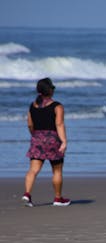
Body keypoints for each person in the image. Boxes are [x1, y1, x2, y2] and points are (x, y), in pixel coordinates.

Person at [22, 78, 70, 207]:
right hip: (53, 139)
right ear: (49, 90)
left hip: (37, 138)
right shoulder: (57, 106)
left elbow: (30, 125)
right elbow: (59, 124)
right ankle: (58, 198)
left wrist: (35, 136)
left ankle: (27, 194)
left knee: (33, 170)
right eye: (53, 88)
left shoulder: (32, 105)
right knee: (57, 170)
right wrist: (64, 141)